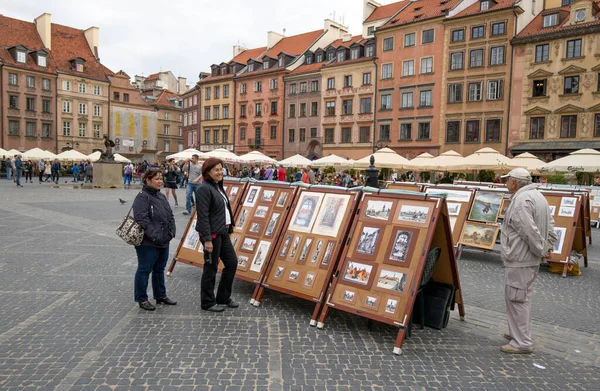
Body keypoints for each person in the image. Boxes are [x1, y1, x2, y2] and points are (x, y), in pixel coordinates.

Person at [500, 168, 557, 354]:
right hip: (527, 257)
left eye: (507, 180)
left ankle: (522, 342)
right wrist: (548, 245)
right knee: (521, 296)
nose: (506, 183)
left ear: (514, 182)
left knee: (517, 298)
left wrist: (542, 248)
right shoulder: (538, 196)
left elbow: (528, 230)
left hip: (521, 257)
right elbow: (551, 225)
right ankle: (516, 332)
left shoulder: (521, 200)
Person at [195, 157, 238, 312]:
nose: (220, 172)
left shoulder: (217, 187)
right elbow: (203, 215)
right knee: (211, 267)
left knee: (232, 263)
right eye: (216, 170)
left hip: (223, 232)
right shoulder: (204, 189)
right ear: (208, 172)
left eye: (221, 169)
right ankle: (207, 302)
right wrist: (207, 239)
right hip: (212, 234)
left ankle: (223, 297)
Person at [132, 169, 177, 311]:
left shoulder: (162, 197)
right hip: (148, 242)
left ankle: (160, 296)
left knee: (159, 269)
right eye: (157, 179)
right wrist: (154, 235)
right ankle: (142, 299)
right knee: (144, 269)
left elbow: (170, 215)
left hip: (164, 240)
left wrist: (171, 232)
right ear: (147, 180)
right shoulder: (142, 197)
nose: (160, 181)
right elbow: (141, 219)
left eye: (161, 179)